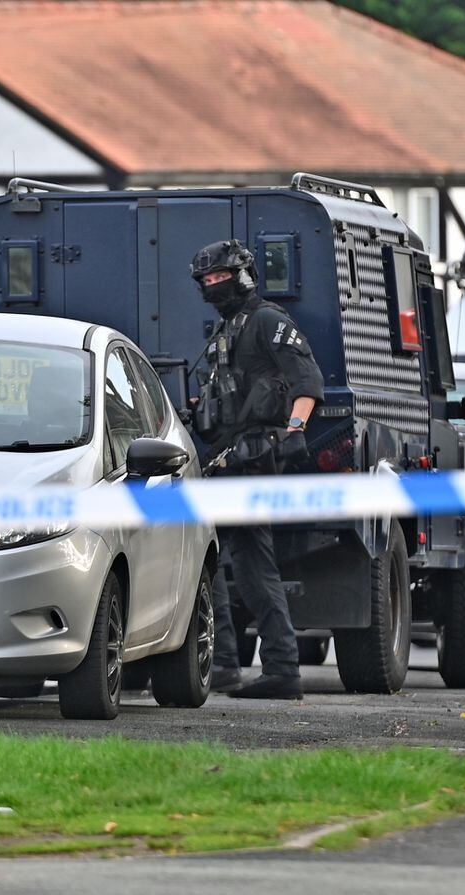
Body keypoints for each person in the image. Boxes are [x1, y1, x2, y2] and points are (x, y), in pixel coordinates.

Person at [189, 239, 324, 700]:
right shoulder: (225, 330)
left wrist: (292, 431)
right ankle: (225, 662)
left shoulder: (267, 321)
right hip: (226, 459)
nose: (213, 286)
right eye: (206, 281)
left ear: (242, 275)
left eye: (219, 277)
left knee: (249, 565)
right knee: (219, 563)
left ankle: (279, 668)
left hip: (253, 462)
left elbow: (307, 381)